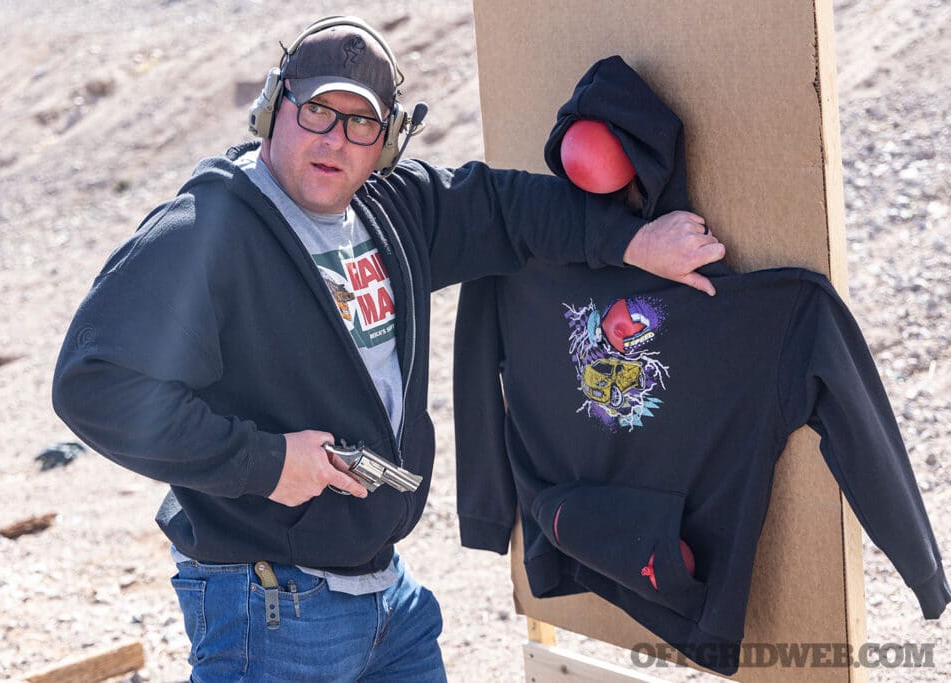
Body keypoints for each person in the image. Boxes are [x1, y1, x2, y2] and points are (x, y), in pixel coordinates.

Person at [51, 15, 725, 681]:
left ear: (388, 140)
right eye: (317, 110)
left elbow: (503, 207)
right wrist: (265, 462)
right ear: (271, 107)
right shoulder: (205, 233)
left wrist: (631, 242)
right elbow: (95, 383)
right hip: (270, 603)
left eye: (361, 124)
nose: (335, 140)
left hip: (386, 597)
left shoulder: (391, 208)